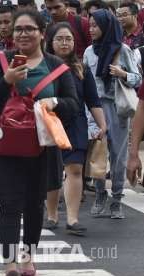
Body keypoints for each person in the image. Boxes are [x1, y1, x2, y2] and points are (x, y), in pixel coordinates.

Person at [0, 9, 79, 276]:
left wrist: (54, 102)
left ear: (42, 33)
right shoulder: (0, 61)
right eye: (18, 29)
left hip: (42, 147)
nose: (23, 34)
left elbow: (73, 104)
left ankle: (27, 257)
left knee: (34, 205)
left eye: (29, 29)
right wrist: (7, 80)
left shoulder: (57, 67)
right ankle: (10, 262)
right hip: (6, 148)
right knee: (9, 205)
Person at [44, 22, 107, 236]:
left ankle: (72, 219)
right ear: (50, 42)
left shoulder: (81, 68)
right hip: (49, 123)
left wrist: (102, 124)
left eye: (68, 39)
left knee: (75, 169)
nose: (64, 43)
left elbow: (93, 100)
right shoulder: (43, 67)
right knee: (52, 170)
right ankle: (52, 214)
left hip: (76, 123)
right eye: (60, 39)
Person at [84, 9, 141, 219]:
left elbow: (138, 79)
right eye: (89, 26)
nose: (91, 30)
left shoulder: (123, 50)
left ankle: (116, 200)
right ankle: (100, 194)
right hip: (95, 108)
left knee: (118, 156)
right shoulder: (89, 52)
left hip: (117, 108)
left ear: (106, 26)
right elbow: (86, 85)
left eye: (95, 26)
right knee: (98, 152)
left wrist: (122, 74)